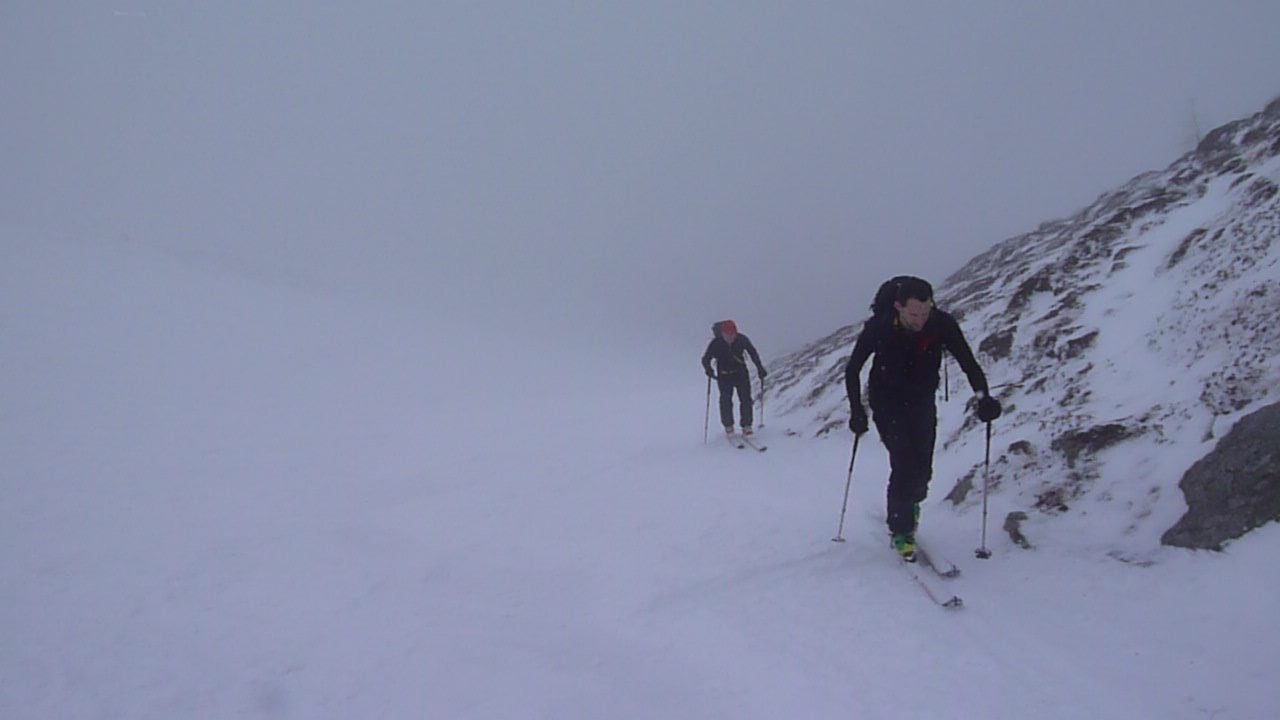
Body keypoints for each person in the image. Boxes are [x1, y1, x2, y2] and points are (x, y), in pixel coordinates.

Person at [844, 276, 1002, 560]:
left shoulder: (941, 324)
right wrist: (857, 410)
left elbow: (968, 362)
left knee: (923, 469)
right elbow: (853, 369)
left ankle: (910, 502)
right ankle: (901, 529)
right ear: (898, 307)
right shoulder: (879, 328)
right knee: (904, 462)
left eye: (925, 312)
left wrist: (983, 398)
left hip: (921, 401)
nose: (920, 319)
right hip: (886, 402)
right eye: (914, 314)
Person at [701, 320, 767, 437]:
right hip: (724, 375)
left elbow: (753, 353)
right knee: (726, 401)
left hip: (741, 373)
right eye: (728, 334)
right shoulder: (716, 343)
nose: (731, 336)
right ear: (722, 333)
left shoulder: (742, 339)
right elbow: (706, 359)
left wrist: (760, 368)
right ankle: (729, 426)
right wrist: (709, 370)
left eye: (733, 333)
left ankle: (747, 426)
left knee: (746, 399)